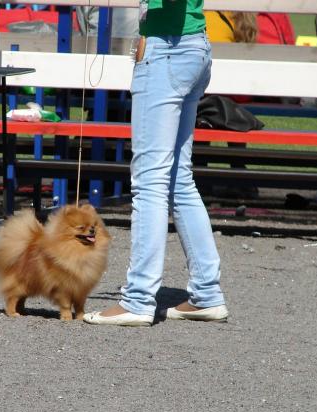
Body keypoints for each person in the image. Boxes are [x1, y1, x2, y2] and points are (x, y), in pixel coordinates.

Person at [84, 0, 228, 326]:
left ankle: (138, 299)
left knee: (150, 182)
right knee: (178, 179)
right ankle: (206, 293)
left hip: (167, 50)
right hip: (192, 47)